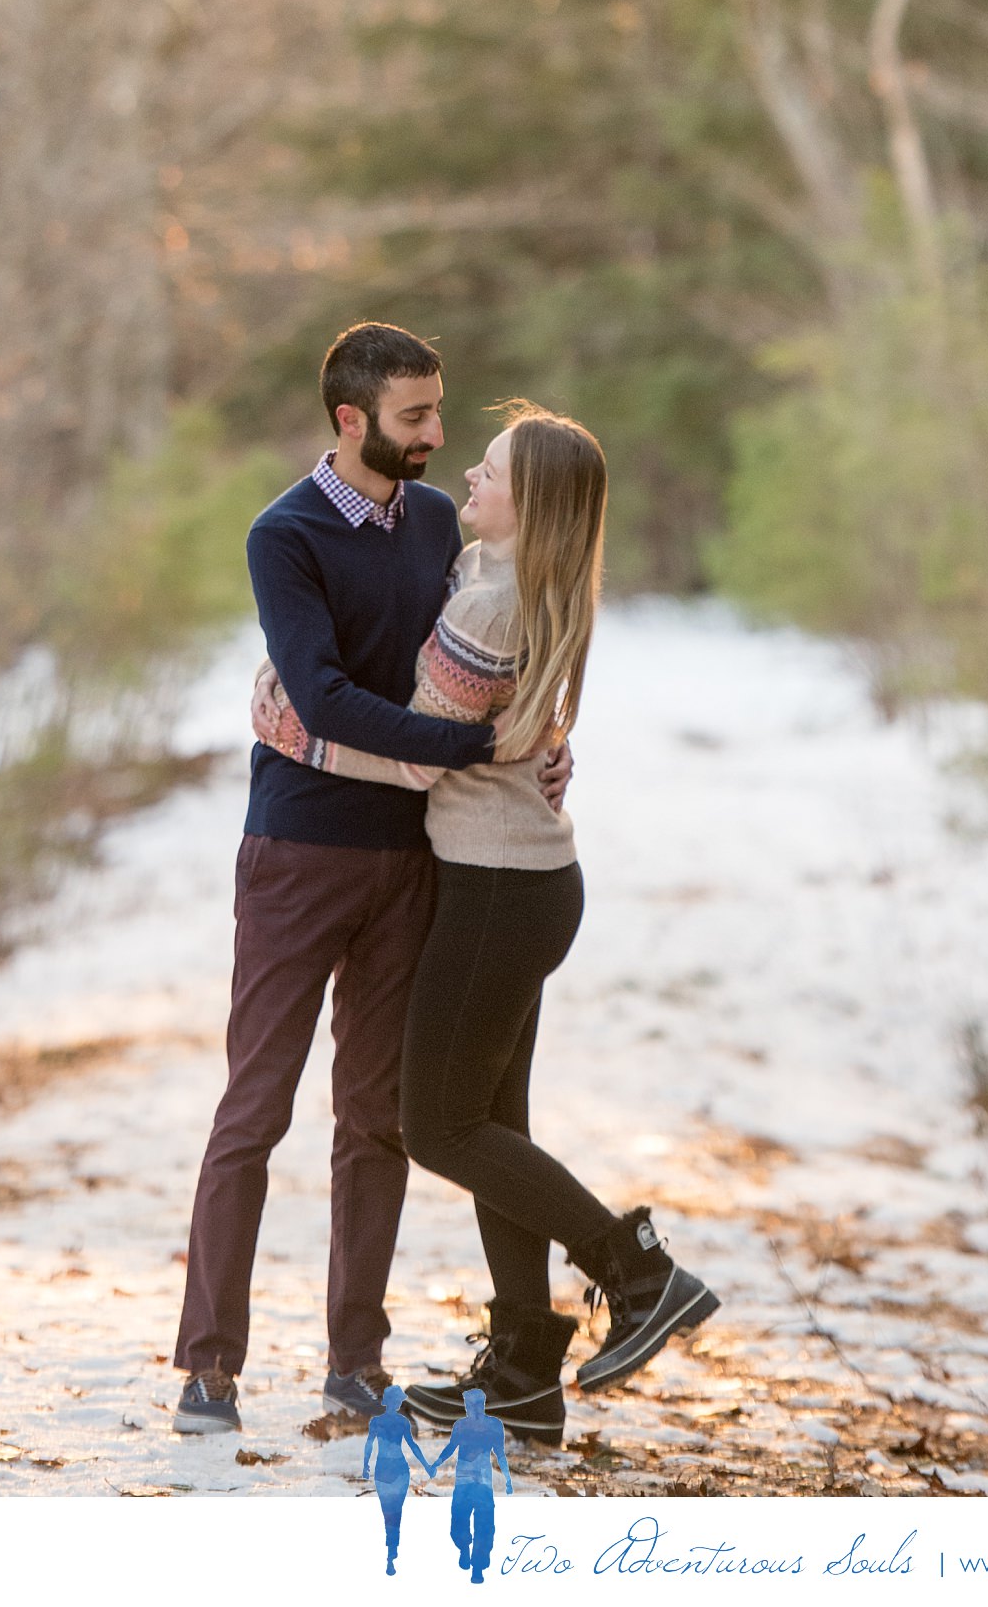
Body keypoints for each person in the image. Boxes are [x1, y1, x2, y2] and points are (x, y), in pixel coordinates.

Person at [252, 403, 720, 1450]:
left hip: (498, 890)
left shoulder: (494, 601)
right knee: (490, 1125)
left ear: (533, 502)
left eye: (494, 467)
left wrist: (297, 729)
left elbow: (426, 752)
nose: (469, 468)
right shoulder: (503, 577)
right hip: (517, 881)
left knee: (439, 1126)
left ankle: (638, 1270)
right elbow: (494, 735)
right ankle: (519, 1371)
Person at [171, 324, 572, 1437]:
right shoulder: (284, 534)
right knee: (254, 1106)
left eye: (439, 412)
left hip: (415, 852)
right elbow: (322, 692)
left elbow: (485, 657)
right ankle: (207, 1362)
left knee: (373, 1120)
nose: (437, 435)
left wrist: (536, 732)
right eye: (414, 417)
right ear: (351, 420)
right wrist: (471, 748)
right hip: (298, 850)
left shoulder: (443, 520)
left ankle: (355, 1356)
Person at [424, 1387, 510, 1585]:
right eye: (466, 1405)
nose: (469, 1408)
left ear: (481, 1404)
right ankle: (464, 1548)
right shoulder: (460, 1426)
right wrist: (436, 1463)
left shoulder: (494, 1426)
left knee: (485, 1526)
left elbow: (500, 1454)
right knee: (458, 1524)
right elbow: (451, 1448)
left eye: (471, 1405)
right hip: (463, 1481)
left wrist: (507, 1478)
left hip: (483, 1484)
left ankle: (478, 1567)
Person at [362, 1382, 432, 1575]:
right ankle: (388, 1553)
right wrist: (365, 1464)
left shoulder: (402, 1422)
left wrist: (426, 1465)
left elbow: (412, 1445)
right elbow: (369, 1445)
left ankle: (393, 1555)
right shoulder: (377, 1422)